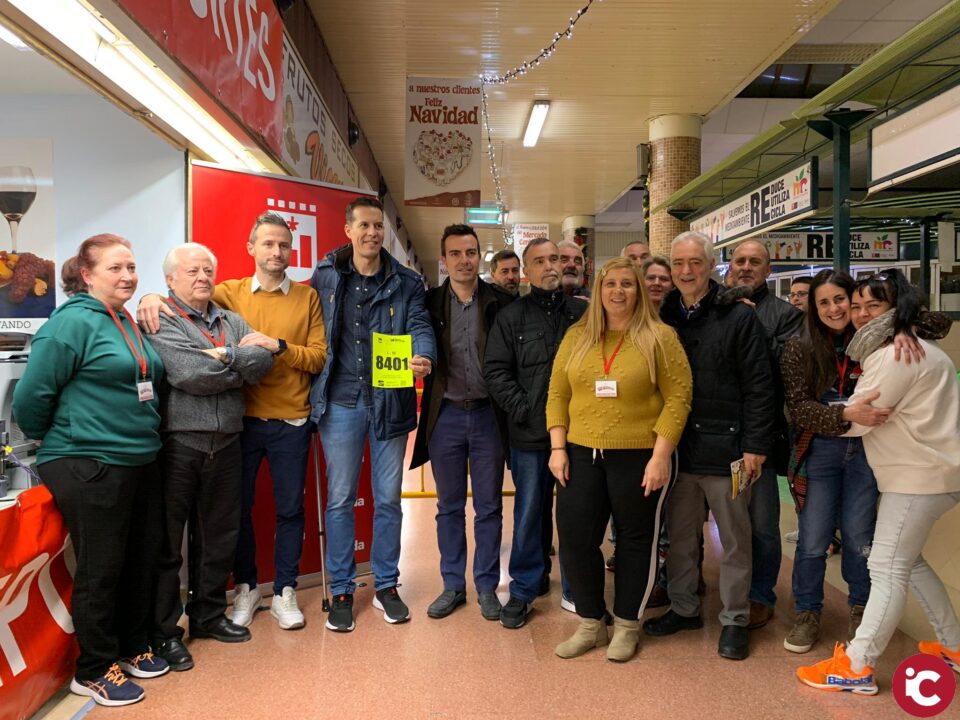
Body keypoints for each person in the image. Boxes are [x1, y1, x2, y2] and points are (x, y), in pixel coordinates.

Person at [137, 212, 328, 634]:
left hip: (285, 420)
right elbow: (183, 333)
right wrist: (148, 296)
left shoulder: (301, 298)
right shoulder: (228, 293)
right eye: (268, 244)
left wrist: (271, 348)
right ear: (251, 249)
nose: (276, 252)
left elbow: (300, 358)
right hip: (233, 425)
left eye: (283, 245)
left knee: (278, 513)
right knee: (227, 518)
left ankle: (281, 591)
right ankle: (243, 589)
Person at [14, 235, 167, 707]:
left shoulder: (123, 318)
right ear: (87, 274)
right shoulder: (71, 323)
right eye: (115, 269)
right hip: (88, 461)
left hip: (139, 456)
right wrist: (66, 438)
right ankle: (95, 669)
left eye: (132, 267)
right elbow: (29, 400)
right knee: (102, 568)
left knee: (140, 560)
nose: (127, 276)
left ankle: (131, 645)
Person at [797, 269, 960, 695]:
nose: (860, 315)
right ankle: (954, 647)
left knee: (884, 567)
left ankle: (857, 666)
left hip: (916, 477)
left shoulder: (896, 354)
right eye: (857, 306)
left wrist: (842, 413)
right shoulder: (908, 346)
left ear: (896, 309)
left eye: (874, 306)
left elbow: (861, 417)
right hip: (927, 473)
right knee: (911, 563)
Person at [547, 257, 692, 662]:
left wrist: (661, 456)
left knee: (634, 542)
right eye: (610, 284)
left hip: (640, 455)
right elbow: (557, 394)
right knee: (575, 539)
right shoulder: (578, 336)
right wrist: (558, 449)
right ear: (599, 290)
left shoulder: (660, 337)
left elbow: (679, 398)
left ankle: (627, 624)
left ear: (639, 290)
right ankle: (592, 623)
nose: (618, 291)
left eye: (627, 284)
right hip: (579, 452)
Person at [643, 231, 775, 661]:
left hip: (731, 451)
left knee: (736, 539)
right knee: (680, 537)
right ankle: (684, 608)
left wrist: (755, 446)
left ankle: (735, 619)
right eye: (679, 263)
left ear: (712, 265)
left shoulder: (739, 317)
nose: (685, 271)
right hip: (679, 451)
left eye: (695, 262)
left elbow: (760, 386)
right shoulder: (662, 316)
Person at [310, 196, 436, 632]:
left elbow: (419, 323)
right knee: (341, 499)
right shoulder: (325, 275)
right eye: (363, 225)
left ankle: (386, 584)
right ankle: (342, 589)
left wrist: (423, 355)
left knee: (388, 500)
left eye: (378, 226)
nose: (372, 233)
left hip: (389, 400)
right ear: (348, 229)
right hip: (339, 403)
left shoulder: (406, 281)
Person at [146, 244, 273, 670]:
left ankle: (207, 616)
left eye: (208, 269)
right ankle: (164, 634)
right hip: (181, 443)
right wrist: (236, 365)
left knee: (218, 537)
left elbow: (263, 362)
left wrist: (226, 356)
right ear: (170, 280)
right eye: (192, 270)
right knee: (168, 544)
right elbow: (187, 373)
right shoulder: (162, 317)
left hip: (228, 441)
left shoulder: (229, 319)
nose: (202, 276)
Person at [411, 224, 514, 621]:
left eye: (470, 252)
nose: (464, 260)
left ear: (479, 257)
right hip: (447, 416)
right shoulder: (430, 303)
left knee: (489, 507)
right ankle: (453, 585)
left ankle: (487, 586)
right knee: (448, 507)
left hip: (489, 415)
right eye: (455, 253)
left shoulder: (500, 302)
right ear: (444, 260)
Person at [779, 270, 884, 655]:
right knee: (812, 541)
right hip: (819, 450)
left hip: (868, 452)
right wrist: (844, 416)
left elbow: (935, 324)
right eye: (823, 302)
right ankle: (807, 613)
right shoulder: (798, 347)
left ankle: (861, 609)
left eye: (841, 299)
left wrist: (902, 321)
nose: (833, 308)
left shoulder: (877, 341)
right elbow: (799, 409)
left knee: (859, 538)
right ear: (813, 307)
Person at [485, 237, 587, 628]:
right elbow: (495, 370)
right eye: (540, 261)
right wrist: (526, 410)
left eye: (555, 260)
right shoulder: (511, 318)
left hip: (579, 435)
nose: (550, 267)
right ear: (526, 272)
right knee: (529, 511)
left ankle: (577, 587)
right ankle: (525, 588)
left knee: (578, 515)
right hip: (529, 437)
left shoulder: (581, 315)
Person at [727, 239, 804, 630]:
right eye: (739, 260)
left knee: (761, 524)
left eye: (754, 262)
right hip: (713, 437)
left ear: (768, 270)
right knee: (714, 523)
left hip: (760, 436)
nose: (745, 267)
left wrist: (749, 322)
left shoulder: (786, 315)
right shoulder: (715, 306)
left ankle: (760, 594)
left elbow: (783, 370)